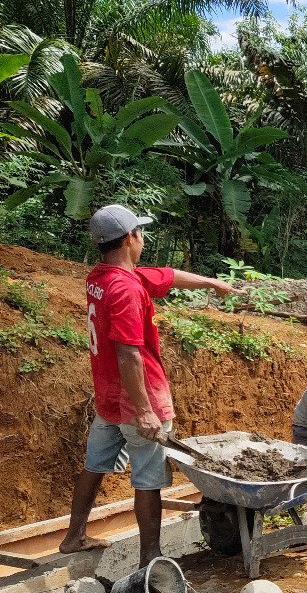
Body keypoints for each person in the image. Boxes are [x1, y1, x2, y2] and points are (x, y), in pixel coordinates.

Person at [60, 205, 243, 565]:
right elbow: (129, 354)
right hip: (138, 401)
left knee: (94, 464)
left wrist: (211, 282)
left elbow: (167, 275)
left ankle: (73, 537)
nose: (142, 239)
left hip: (108, 398)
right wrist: (144, 412)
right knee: (148, 479)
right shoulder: (126, 290)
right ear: (131, 238)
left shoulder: (101, 278)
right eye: (140, 233)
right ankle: (151, 559)